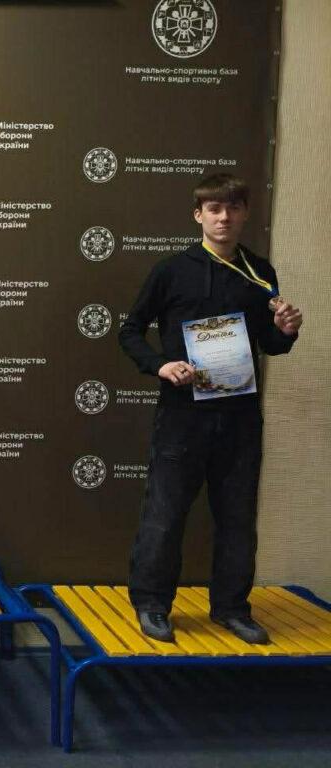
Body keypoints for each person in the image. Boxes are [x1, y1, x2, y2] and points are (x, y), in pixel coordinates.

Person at [118, 173, 302, 644]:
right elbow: (130, 330)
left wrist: (285, 330)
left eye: (233, 208)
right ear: (198, 215)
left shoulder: (260, 272)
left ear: (245, 214)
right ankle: (152, 604)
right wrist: (160, 365)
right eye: (214, 209)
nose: (224, 218)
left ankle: (232, 609)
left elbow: (270, 344)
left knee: (238, 518)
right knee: (165, 515)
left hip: (240, 416)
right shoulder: (171, 270)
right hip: (182, 414)